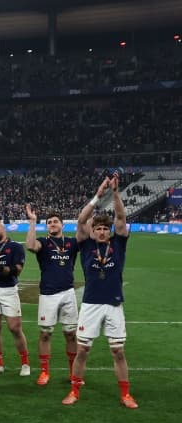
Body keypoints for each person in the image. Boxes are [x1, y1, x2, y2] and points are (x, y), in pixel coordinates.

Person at [63, 175, 137, 409]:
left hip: (114, 305)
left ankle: (125, 394)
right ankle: (74, 390)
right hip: (91, 305)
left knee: (118, 352)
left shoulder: (119, 244)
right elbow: (81, 219)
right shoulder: (86, 245)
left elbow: (122, 218)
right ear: (93, 231)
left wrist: (115, 193)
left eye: (106, 228)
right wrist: (98, 196)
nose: (103, 232)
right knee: (83, 349)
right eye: (99, 228)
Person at [25, 205, 80, 386]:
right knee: (45, 334)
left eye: (55, 221)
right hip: (48, 294)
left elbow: (85, 235)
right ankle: (44, 372)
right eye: (49, 222)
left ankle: (73, 372)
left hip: (68, 293)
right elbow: (30, 245)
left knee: (70, 334)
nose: (52, 224)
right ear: (47, 226)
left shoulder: (71, 243)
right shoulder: (44, 242)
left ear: (62, 225)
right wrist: (33, 221)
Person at [0, 220, 32, 377]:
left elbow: (17, 270)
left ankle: (25, 363)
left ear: (3, 229)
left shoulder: (16, 247)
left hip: (8, 289)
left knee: (14, 328)